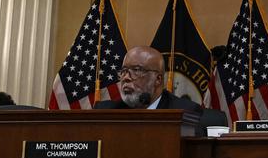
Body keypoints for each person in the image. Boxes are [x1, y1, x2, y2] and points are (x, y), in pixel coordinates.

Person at [94, 46, 225, 134]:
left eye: (137, 70)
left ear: (158, 79)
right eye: (124, 71)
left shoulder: (185, 113)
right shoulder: (104, 113)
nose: (126, 78)